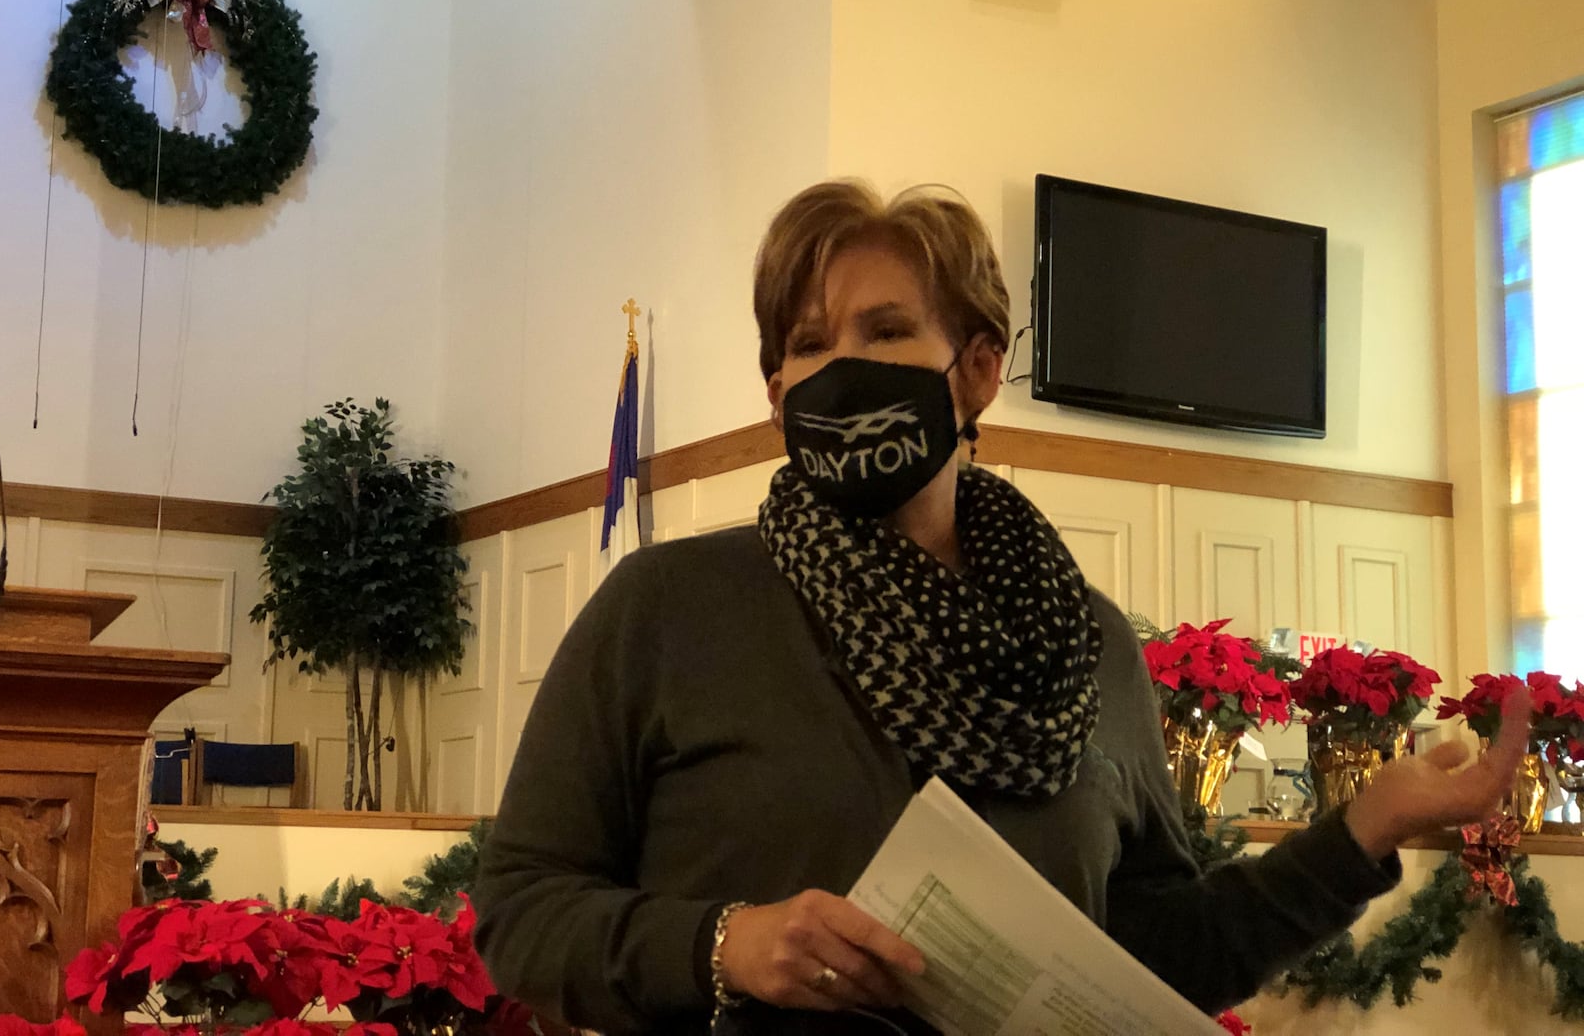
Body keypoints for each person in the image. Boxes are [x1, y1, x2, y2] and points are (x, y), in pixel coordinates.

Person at [473, 180, 1530, 1036]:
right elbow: (521, 910)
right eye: (805, 343)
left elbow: (1160, 954)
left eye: (884, 331)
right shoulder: (669, 609)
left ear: (976, 369)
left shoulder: (1091, 647)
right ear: (773, 388)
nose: (839, 367)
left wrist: (1366, 827)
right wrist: (725, 944)